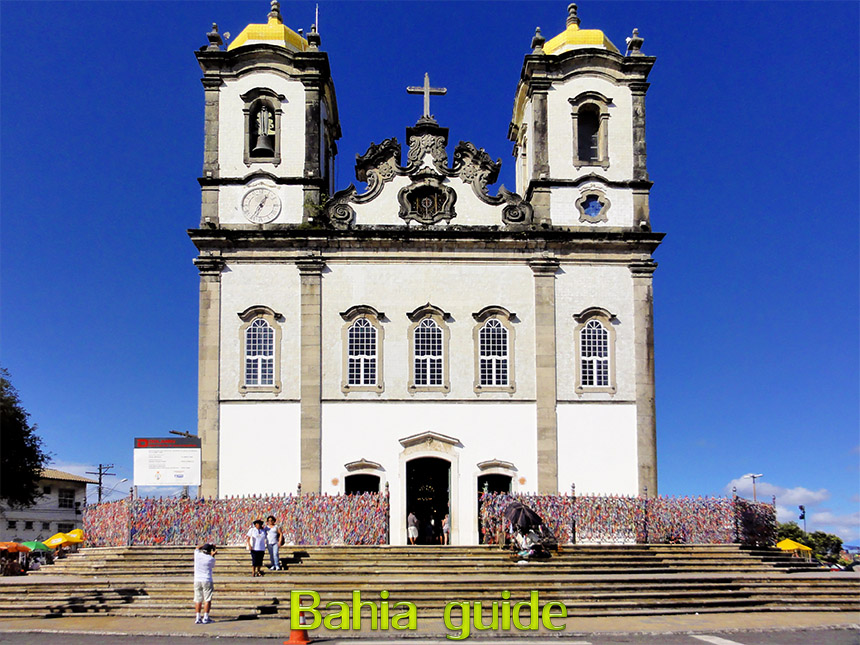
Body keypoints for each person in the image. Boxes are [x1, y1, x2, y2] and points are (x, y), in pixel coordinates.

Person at [193, 543, 217, 624]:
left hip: (197, 580)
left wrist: (205, 545)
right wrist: (213, 554)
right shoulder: (210, 559)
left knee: (198, 599)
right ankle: (206, 617)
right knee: (207, 599)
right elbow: (212, 566)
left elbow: (197, 547)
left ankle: (198, 617)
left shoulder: (197, 555)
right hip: (207, 579)